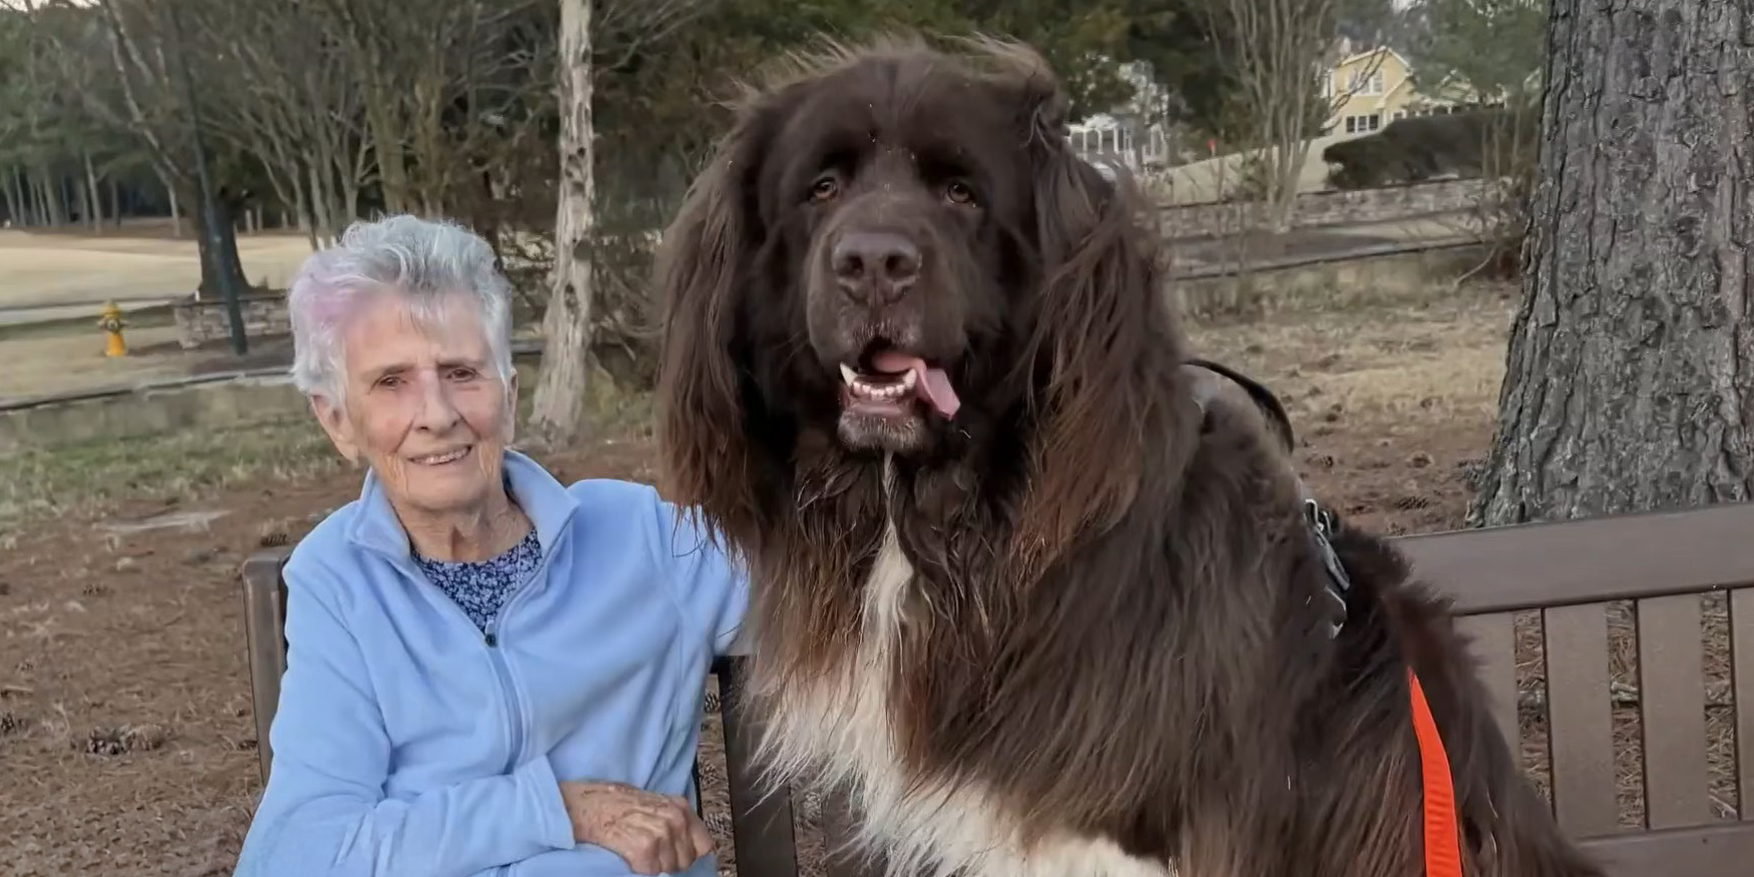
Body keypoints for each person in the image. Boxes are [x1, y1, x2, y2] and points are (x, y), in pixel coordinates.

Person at [232, 215, 746, 877]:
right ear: (338, 420)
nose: (438, 412)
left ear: (509, 394)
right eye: (392, 382)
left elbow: (839, 580)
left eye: (462, 372)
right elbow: (297, 854)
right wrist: (553, 809)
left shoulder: (643, 540)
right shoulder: (338, 583)